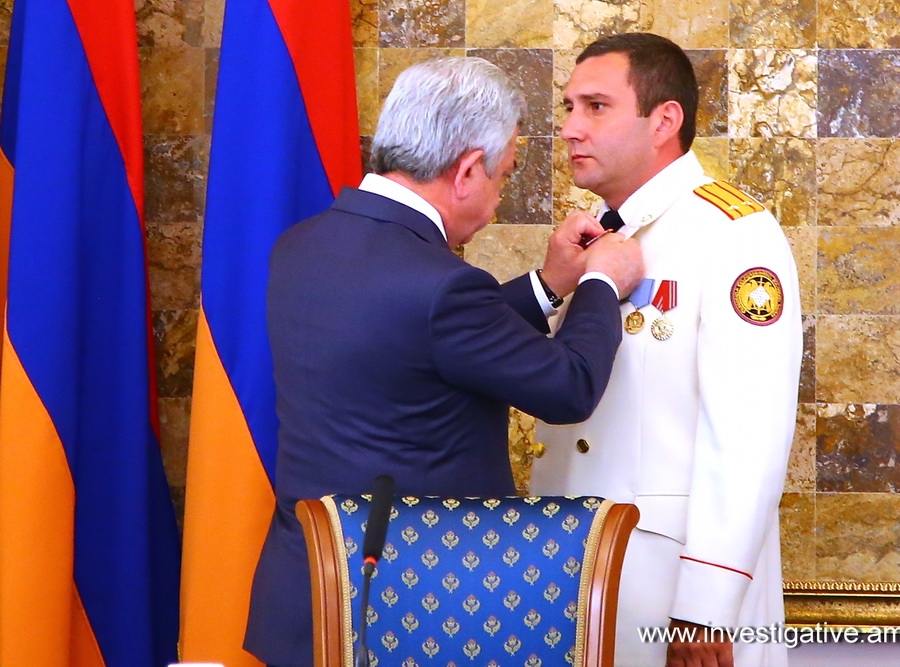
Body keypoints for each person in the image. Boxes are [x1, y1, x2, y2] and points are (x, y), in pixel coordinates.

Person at [243, 56, 645, 666]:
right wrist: (600, 283)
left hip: (305, 599)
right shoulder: (440, 285)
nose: (497, 201)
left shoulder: (301, 246)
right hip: (411, 608)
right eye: (502, 177)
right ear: (465, 171)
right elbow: (570, 387)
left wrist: (549, 284)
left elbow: (415, 341)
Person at [530, 33, 802, 667]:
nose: (570, 128)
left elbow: (748, 437)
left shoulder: (733, 234)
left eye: (596, 107)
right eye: (569, 107)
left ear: (664, 121)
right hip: (578, 574)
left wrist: (706, 608)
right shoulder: (592, 237)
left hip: (671, 590)